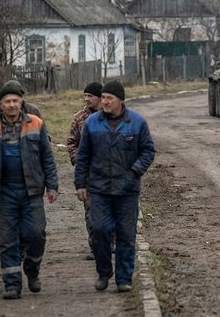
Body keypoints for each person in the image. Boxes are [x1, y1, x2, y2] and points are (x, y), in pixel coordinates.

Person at [0, 81, 59, 300]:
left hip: (31, 190)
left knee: (36, 234)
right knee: (7, 239)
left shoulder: (36, 123)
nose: (12, 105)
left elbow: (47, 158)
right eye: (7, 101)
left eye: (15, 100)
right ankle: (12, 284)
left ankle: (32, 270)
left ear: (21, 102)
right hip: (3, 193)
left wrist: (52, 186)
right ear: (0, 105)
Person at [74, 80, 156, 293]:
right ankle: (103, 271)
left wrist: (134, 171)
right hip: (99, 188)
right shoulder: (92, 123)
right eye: (103, 98)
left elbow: (148, 150)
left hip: (127, 190)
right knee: (99, 231)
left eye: (109, 98)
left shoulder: (136, 122)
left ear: (120, 100)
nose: (105, 102)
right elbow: (83, 156)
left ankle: (123, 278)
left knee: (126, 236)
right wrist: (80, 183)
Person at [66, 81, 103, 260]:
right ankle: (95, 246)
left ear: (100, 98)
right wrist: (77, 159)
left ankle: (111, 243)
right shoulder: (80, 117)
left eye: (90, 96)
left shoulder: (110, 115)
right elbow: (72, 141)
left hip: (107, 172)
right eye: (85, 96)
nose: (87, 99)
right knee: (90, 211)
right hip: (87, 172)